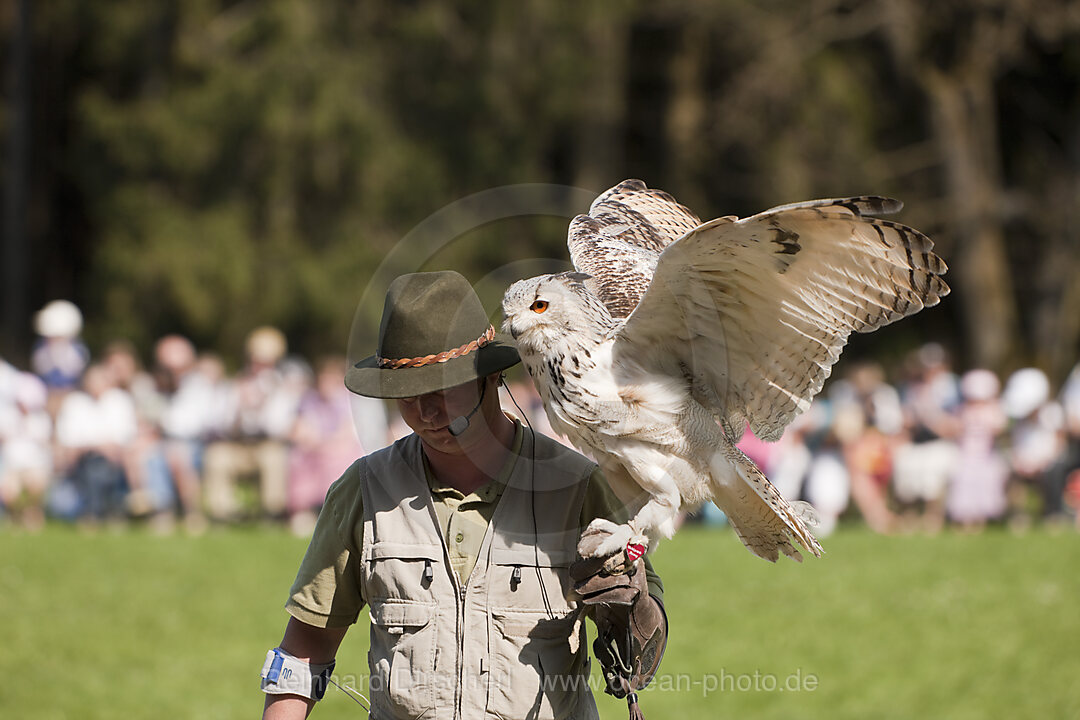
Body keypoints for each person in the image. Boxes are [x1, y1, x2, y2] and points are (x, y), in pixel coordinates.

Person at [260, 271, 667, 720]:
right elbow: (303, 651)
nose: (426, 412)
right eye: (407, 394)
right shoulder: (364, 489)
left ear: (490, 377)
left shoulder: (575, 487)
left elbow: (643, 654)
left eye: (443, 389)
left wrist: (630, 614)